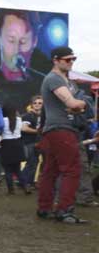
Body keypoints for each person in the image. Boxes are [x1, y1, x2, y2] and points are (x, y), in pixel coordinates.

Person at [36, 47, 88, 223]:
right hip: (62, 129)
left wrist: (79, 105)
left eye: (73, 59)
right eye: (67, 59)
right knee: (72, 170)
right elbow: (73, 103)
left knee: (50, 170)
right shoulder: (54, 79)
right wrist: (84, 104)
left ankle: (45, 208)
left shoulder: (64, 80)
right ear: (55, 60)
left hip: (55, 129)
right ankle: (64, 210)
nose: (71, 62)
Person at [0, 102, 27, 195]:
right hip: (18, 144)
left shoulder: (2, 120)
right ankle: (25, 187)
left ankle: (11, 190)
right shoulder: (19, 119)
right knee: (17, 169)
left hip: (7, 144)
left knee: (8, 170)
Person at [21, 96, 43, 188]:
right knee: (31, 162)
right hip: (29, 142)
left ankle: (28, 181)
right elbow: (24, 128)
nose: (37, 104)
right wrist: (37, 131)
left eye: (40, 103)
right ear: (31, 104)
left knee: (35, 162)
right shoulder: (28, 115)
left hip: (39, 142)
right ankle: (24, 181)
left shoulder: (43, 116)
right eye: (35, 103)